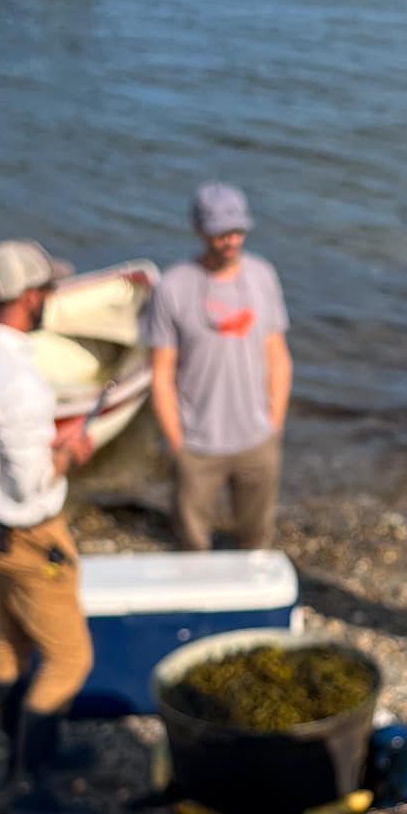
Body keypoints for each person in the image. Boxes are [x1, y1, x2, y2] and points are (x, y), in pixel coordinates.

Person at [0, 239, 97, 814]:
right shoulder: (20, 382)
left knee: (11, 639)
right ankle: (32, 784)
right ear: (31, 296)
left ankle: (26, 753)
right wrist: (72, 450)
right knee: (69, 659)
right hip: (31, 534)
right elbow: (33, 482)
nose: (49, 299)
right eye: (48, 290)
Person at [145, 184, 293, 551]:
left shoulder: (262, 276)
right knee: (192, 540)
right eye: (220, 233)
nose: (230, 241)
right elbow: (161, 373)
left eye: (237, 231)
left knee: (257, 537)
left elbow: (277, 355)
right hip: (197, 444)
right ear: (200, 231)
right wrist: (176, 441)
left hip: (257, 441)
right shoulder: (173, 287)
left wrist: (274, 423)